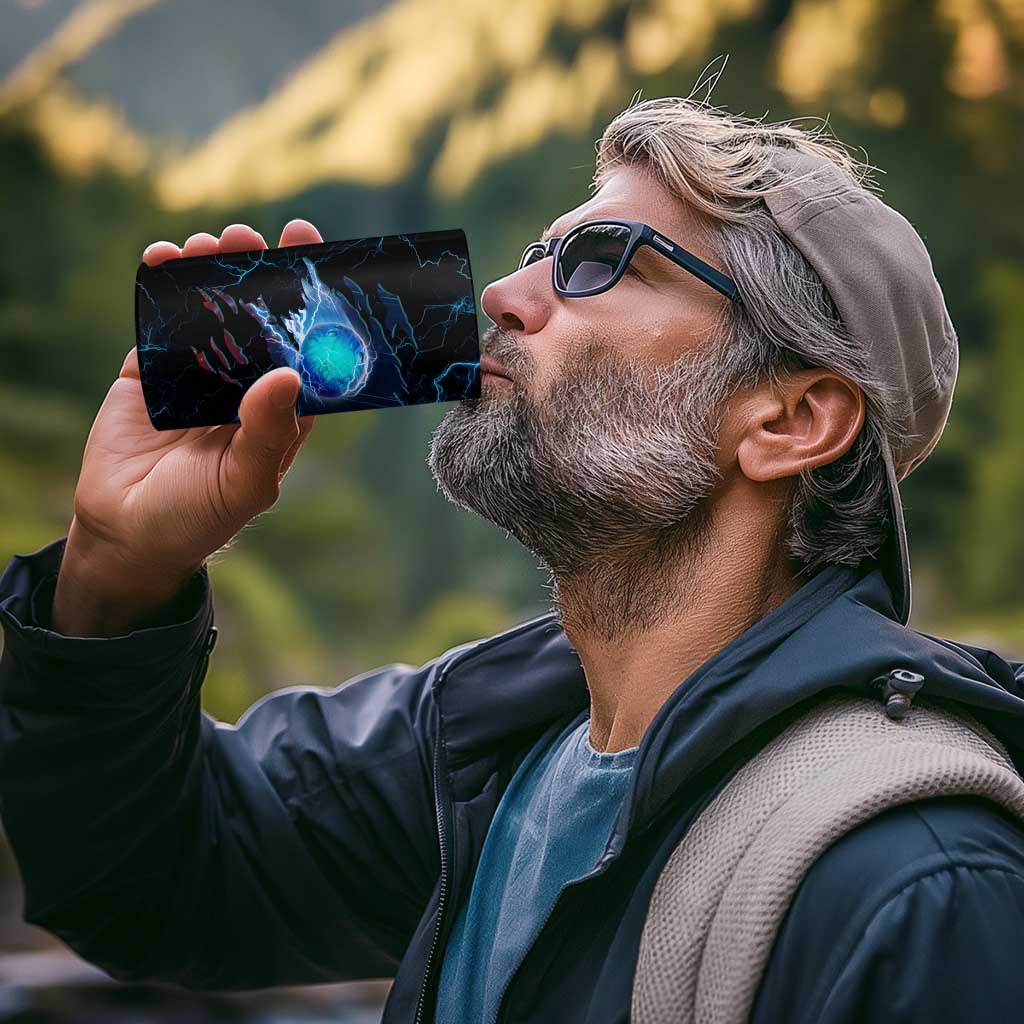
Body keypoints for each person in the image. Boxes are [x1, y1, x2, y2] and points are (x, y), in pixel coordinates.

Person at [2, 95, 1024, 1024]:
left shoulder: (918, 884)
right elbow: (149, 879)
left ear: (791, 419)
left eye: (599, 262)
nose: (501, 291)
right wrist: (116, 571)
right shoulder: (480, 748)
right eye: (540, 252)